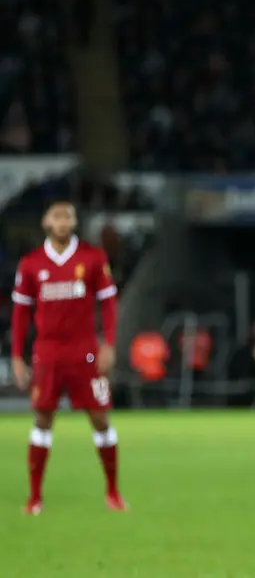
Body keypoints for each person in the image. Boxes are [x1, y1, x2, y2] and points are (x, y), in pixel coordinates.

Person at [10, 201, 124, 515]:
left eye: (68, 217)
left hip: (86, 353)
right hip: (47, 354)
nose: (63, 222)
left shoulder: (93, 258)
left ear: (74, 222)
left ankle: (112, 492)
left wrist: (109, 345)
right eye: (57, 217)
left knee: (100, 417)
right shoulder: (31, 264)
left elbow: (109, 304)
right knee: (42, 419)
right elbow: (21, 313)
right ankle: (35, 497)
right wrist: (17, 356)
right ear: (47, 221)